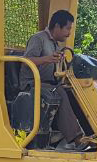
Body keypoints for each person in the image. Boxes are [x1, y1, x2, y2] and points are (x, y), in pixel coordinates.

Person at [21, 9, 87, 151]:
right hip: (32, 83)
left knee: (73, 92)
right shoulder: (38, 39)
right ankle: (76, 139)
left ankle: (91, 134)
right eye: (67, 28)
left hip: (48, 84)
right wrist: (47, 59)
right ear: (57, 26)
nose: (69, 33)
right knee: (60, 93)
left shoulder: (56, 44)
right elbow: (26, 60)